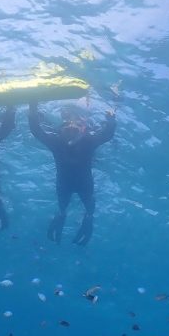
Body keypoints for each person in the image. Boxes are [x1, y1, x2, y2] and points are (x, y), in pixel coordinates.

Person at [28, 102, 115, 245]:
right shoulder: (56, 141)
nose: (71, 132)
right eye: (67, 130)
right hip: (68, 184)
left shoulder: (88, 141)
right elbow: (36, 131)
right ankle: (64, 216)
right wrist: (32, 109)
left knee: (87, 209)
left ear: (81, 131)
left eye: (74, 130)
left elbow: (107, 135)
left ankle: (86, 219)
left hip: (78, 184)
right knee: (63, 207)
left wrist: (111, 120)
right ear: (60, 131)